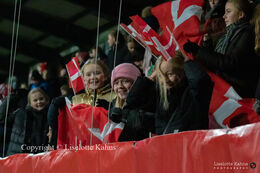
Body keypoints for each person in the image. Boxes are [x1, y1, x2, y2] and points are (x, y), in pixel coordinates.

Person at [184, 0, 259, 98]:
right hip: (224, 88)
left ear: (241, 14)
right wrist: (207, 43)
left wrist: (198, 51)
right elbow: (215, 60)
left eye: (228, 12)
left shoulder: (247, 34)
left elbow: (230, 63)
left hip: (236, 92)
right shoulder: (227, 34)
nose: (224, 16)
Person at [126, 51, 213, 135]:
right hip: (166, 147)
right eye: (161, 75)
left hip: (191, 146)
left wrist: (186, 59)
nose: (165, 80)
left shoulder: (193, 93)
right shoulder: (161, 94)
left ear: (182, 71)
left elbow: (201, 81)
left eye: (170, 74)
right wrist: (151, 78)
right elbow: (132, 100)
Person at [109, 63, 154, 141]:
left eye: (125, 81)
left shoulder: (147, 102)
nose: (120, 86)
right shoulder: (112, 106)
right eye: (116, 83)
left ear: (136, 84)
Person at [7, 88, 49, 156]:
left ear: (47, 100)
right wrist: (11, 97)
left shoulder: (51, 114)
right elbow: (2, 118)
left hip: (42, 156)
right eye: (35, 100)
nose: (39, 102)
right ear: (30, 103)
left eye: (41, 99)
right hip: (21, 156)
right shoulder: (21, 113)